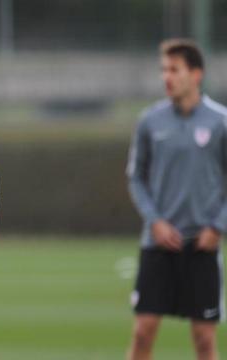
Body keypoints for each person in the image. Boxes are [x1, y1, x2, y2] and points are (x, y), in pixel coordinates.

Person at [126, 39, 226, 360]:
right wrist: (154, 221)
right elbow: (136, 177)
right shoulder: (149, 121)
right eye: (163, 70)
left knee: (204, 340)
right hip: (158, 244)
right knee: (142, 333)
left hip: (202, 245)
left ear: (196, 74)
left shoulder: (220, 121)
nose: (167, 77)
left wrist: (218, 227)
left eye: (174, 69)